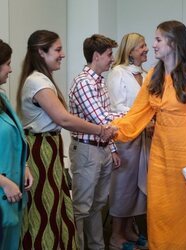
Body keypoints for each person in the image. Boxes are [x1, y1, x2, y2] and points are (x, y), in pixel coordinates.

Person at [111, 20, 186, 250]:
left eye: (158, 39)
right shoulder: (154, 74)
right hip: (160, 157)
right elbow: (137, 114)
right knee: (160, 212)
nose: (153, 45)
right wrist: (113, 129)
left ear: (173, 43)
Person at [16, 30, 116, 250]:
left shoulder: (42, 79)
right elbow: (64, 119)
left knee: (57, 207)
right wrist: (100, 130)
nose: (63, 55)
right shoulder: (37, 82)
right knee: (46, 208)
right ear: (41, 52)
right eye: (58, 49)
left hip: (50, 149)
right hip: (41, 152)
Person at [68, 34, 122, 250]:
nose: (112, 59)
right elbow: (102, 120)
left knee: (97, 205)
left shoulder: (100, 82)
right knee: (82, 208)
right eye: (109, 55)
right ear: (96, 56)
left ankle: (97, 246)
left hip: (102, 150)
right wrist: (133, 118)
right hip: (86, 151)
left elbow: (108, 120)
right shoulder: (84, 83)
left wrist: (113, 149)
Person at [106, 33, 150, 250]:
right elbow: (116, 108)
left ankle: (129, 231)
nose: (147, 49)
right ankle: (115, 236)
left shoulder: (146, 73)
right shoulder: (118, 73)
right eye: (142, 46)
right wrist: (143, 119)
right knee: (122, 188)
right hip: (125, 139)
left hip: (143, 139)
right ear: (131, 50)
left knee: (137, 188)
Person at [0, 39, 33, 250]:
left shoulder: (2, 98)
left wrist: (25, 165)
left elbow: (15, 138)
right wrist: (3, 182)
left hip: (10, 193)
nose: (11, 69)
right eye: (8, 63)